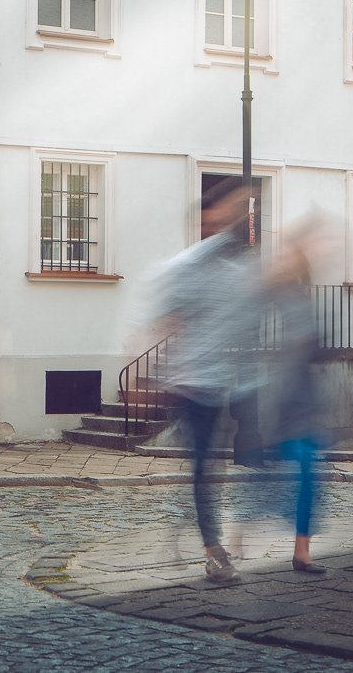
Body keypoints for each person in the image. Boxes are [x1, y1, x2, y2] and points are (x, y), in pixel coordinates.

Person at [147, 178, 261, 583]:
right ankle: (214, 552)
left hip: (222, 385)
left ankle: (181, 532)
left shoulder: (239, 267)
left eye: (242, 208)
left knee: (210, 469)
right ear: (208, 217)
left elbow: (245, 324)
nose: (237, 215)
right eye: (231, 208)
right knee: (203, 469)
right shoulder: (189, 265)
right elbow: (165, 321)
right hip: (191, 386)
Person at [266, 217, 332, 573]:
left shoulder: (300, 293)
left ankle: (301, 551)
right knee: (271, 479)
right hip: (288, 402)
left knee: (305, 477)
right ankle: (234, 541)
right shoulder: (282, 293)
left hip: (303, 401)